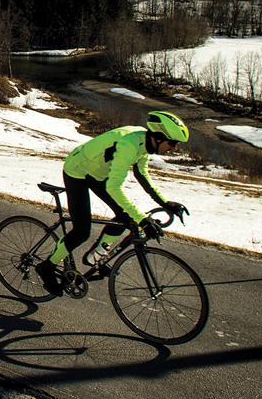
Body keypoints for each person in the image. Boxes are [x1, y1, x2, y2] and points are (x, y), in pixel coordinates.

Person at [41, 110, 191, 292]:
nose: (174, 148)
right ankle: (46, 267)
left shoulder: (144, 144)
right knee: (81, 231)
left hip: (98, 174)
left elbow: (142, 174)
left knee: (124, 217)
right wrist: (142, 219)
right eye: (173, 143)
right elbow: (114, 187)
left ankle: (96, 257)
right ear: (158, 137)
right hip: (78, 171)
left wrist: (166, 203)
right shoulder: (129, 144)